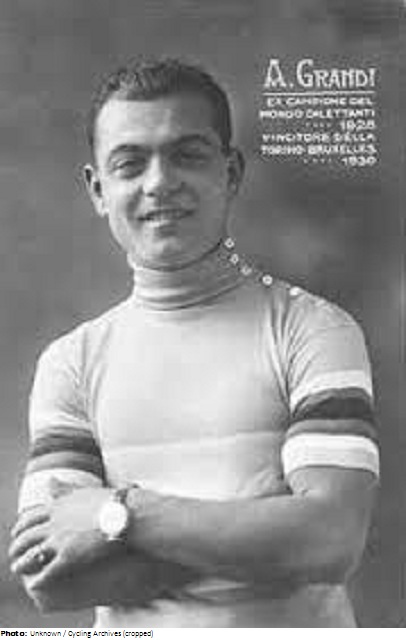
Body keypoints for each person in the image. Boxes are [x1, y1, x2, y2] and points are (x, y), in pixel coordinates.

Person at [9, 58, 379, 628]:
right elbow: (51, 578)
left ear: (230, 173)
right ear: (98, 189)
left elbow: (329, 542)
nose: (160, 182)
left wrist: (116, 513)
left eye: (187, 155)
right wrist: (263, 529)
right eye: (130, 163)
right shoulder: (70, 362)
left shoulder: (315, 330)